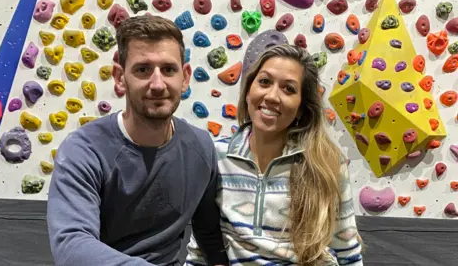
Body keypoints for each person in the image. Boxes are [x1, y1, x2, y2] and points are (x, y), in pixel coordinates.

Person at [47, 15, 229, 266]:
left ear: (185, 77)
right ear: (120, 77)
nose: (157, 84)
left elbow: (209, 234)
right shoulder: (83, 150)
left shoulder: (200, 147)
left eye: (168, 70)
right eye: (143, 69)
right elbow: (72, 247)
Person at [185, 44, 363, 266]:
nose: (272, 96)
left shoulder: (328, 163)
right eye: (265, 82)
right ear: (249, 91)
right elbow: (200, 249)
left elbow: (349, 252)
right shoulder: (216, 156)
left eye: (288, 89)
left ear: (300, 108)